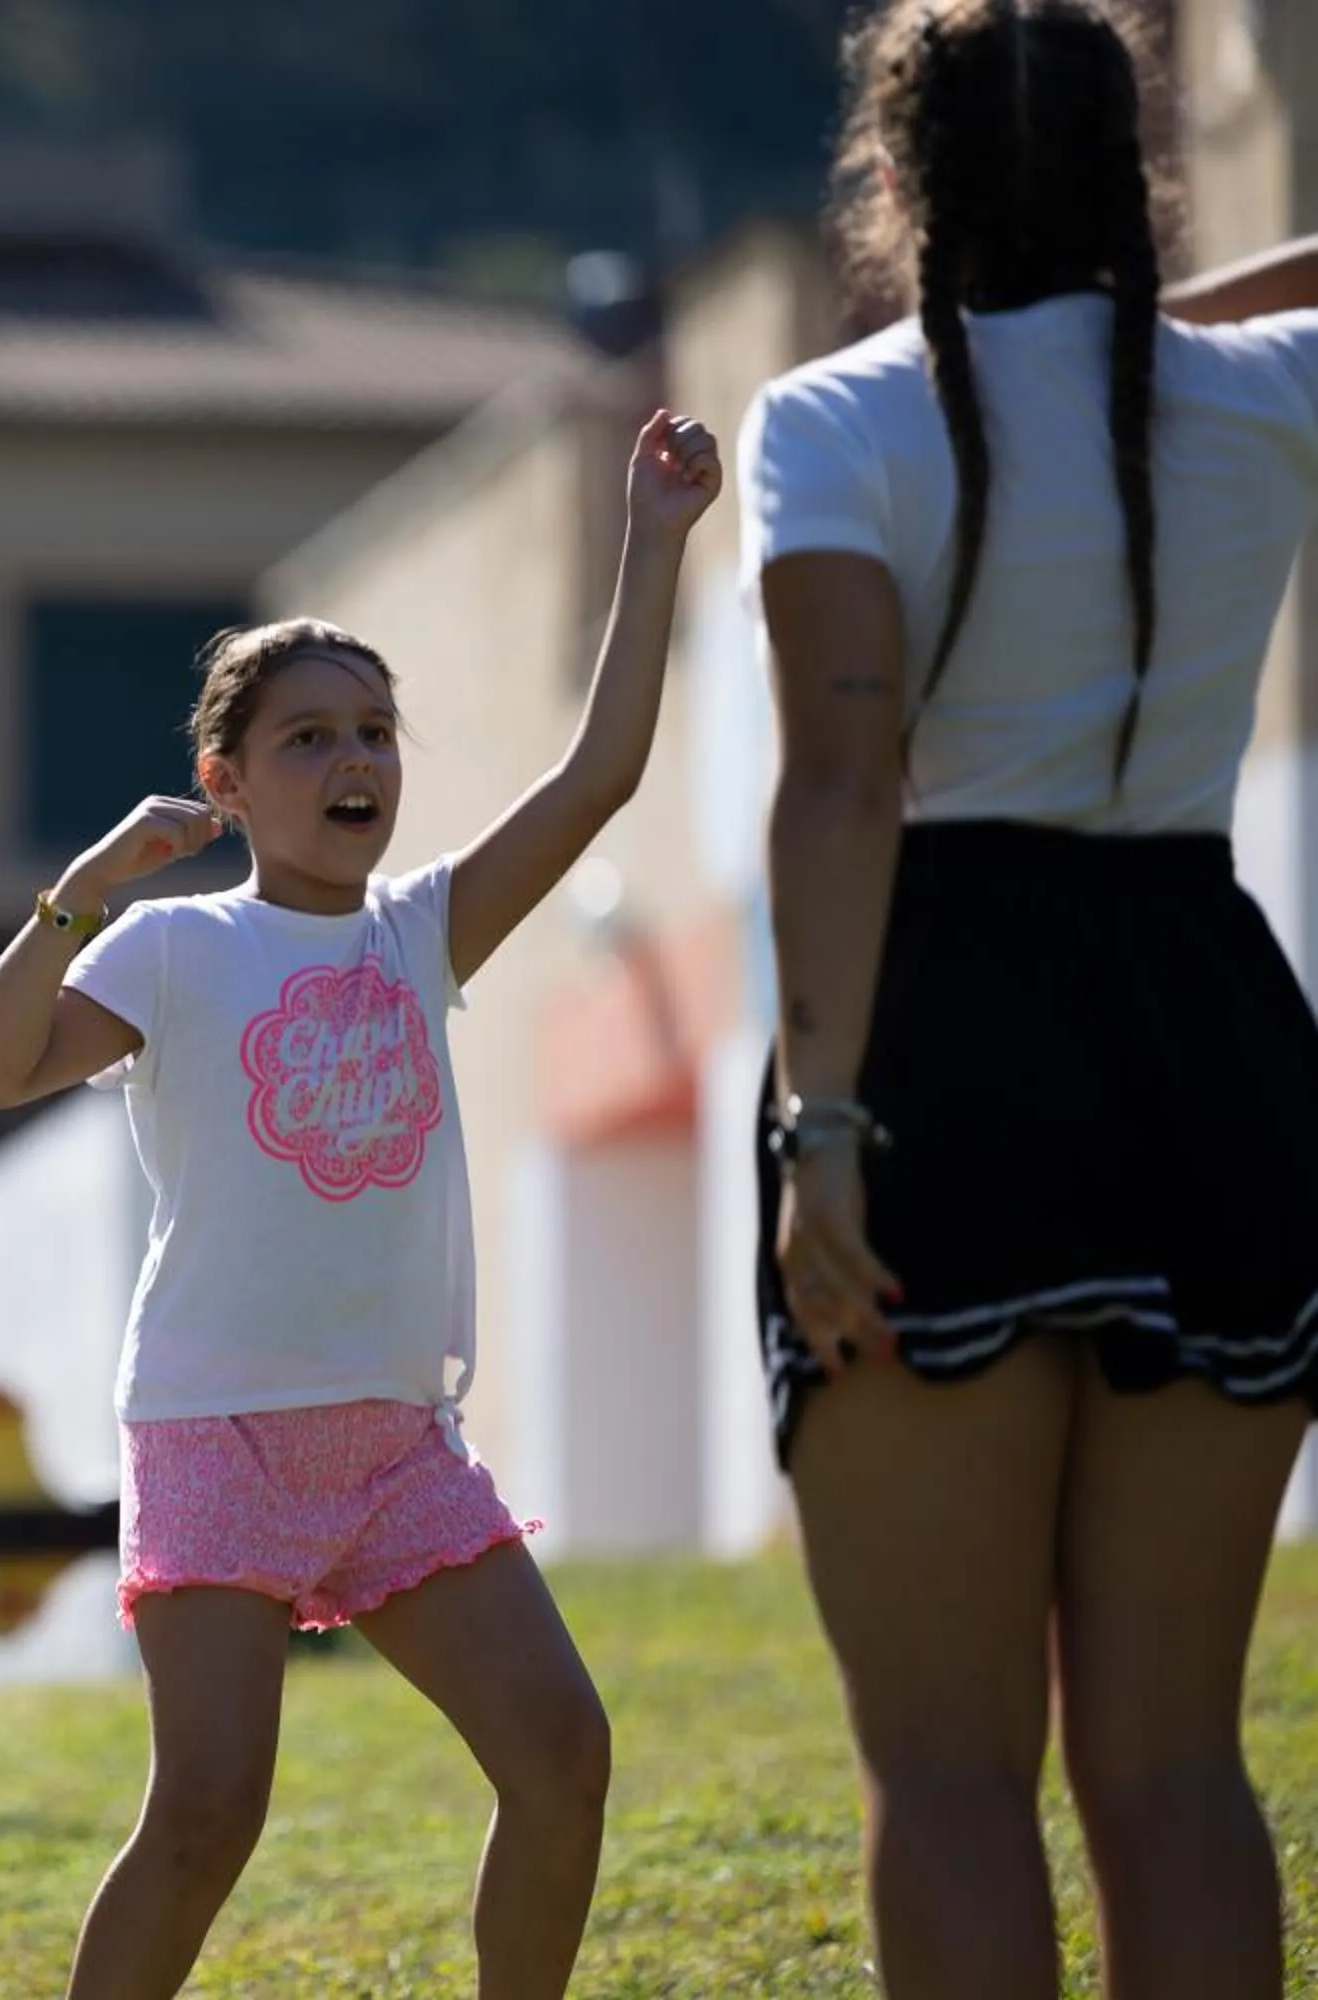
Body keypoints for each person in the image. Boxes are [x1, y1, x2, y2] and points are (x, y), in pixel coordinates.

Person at [0, 412, 721, 1999]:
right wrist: (85, 884)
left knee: (563, 1756)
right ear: (226, 781)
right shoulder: (172, 949)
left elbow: (603, 773)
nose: (354, 760)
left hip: (395, 1443)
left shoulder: (421, 930)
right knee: (209, 1814)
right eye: (308, 738)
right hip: (215, 1431)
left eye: (373, 732)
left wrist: (652, 540)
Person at [750, 3, 1318, 1993]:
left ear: (890, 189)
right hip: (1218, 1033)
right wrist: (1140, 308)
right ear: (1139, 175)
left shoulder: (827, 424)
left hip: (935, 1045)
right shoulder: (1263, 393)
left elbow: (840, 788)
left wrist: (822, 1134)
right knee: (1176, 1766)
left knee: (951, 1771)